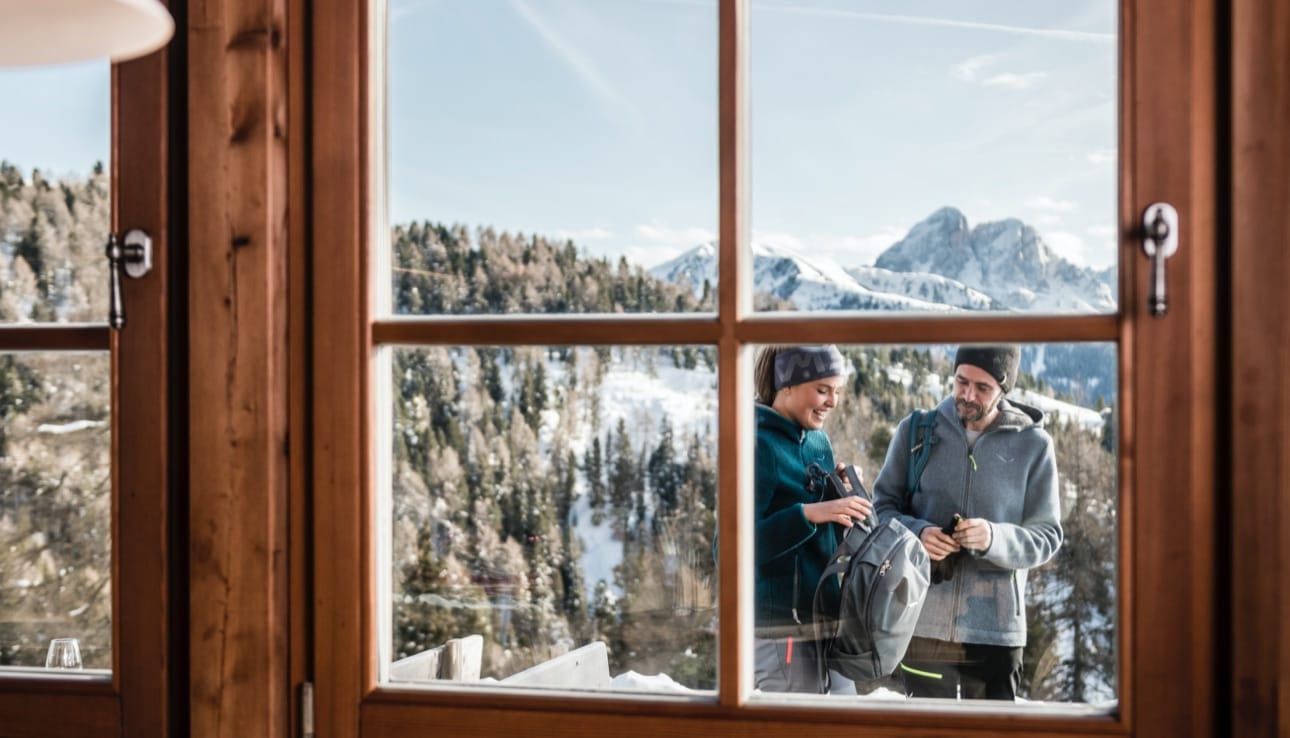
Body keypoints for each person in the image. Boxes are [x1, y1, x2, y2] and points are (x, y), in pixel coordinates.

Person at [872, 345, 1062, 701]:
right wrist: (918, 534)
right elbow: (880, 509)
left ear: (1004, 390)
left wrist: (994, 537)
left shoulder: (1034, 446)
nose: (967, 395)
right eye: (961, 382)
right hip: (922, 622)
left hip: (997, 634)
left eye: (982, 387)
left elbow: (1048, 536)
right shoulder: (915, 432)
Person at [751, 344, 873, 694]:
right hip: (781, 630)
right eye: (822, 390)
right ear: (785, 385)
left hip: (825, 620)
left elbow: (823, 537)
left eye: (837, 391)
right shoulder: (757, 445)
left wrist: (841, 498)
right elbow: (728, 550)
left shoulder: (818, 442)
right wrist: (808, 514)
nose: (832, 402)